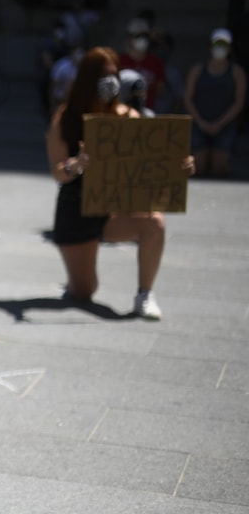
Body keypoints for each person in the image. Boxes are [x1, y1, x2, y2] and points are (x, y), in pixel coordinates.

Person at [45, 47, 194, 320]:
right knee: (84, 292)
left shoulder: (128, 117)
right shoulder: (65, 118)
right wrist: (75, 166)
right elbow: (57, 171)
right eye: (104, 75)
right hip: (76, 211)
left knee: (155, 224)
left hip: (113, 210)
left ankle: (145, 294)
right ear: (88, 79)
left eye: (114, 74)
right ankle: (76, 282)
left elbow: (149, 165)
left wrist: (177, 166)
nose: (110, 81)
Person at [184, 28, 246, 179]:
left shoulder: (236, 72)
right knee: (199, 166)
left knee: (219, 168)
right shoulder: (198, 70)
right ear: (211, 46)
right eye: (217, 44)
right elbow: (188, 98)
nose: (220, 48)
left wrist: (219, 124)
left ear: (230, 48)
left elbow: (238, 102)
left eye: (224, 45)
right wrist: (201, 122)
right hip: (200, 122)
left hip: (224, 124)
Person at [119, 18, 167, 112]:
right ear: (130, 38)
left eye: (145, 36)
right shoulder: (120, 60)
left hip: (147, 112)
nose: (142, 40)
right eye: (138, 36)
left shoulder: (156, 62)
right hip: (123, 113)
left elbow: (160, 89)